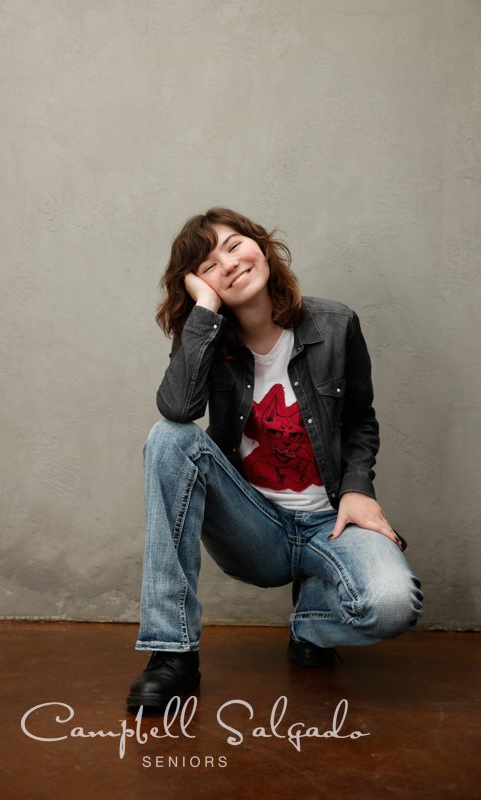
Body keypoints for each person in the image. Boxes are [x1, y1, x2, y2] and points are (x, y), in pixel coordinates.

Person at [126, 207, 423, 710]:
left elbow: (360, 421)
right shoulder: (208, 336)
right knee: (167, 438)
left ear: (260, 246)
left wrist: (357, 489)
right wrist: (203, 313)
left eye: (234, 244)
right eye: (207, 264)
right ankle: (172, 653)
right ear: (198, 285)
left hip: (331, 521)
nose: (228, 263)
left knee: (393, 604)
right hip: (254, 525)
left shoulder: (336, 324)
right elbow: (178, 411)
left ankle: (311, 624)